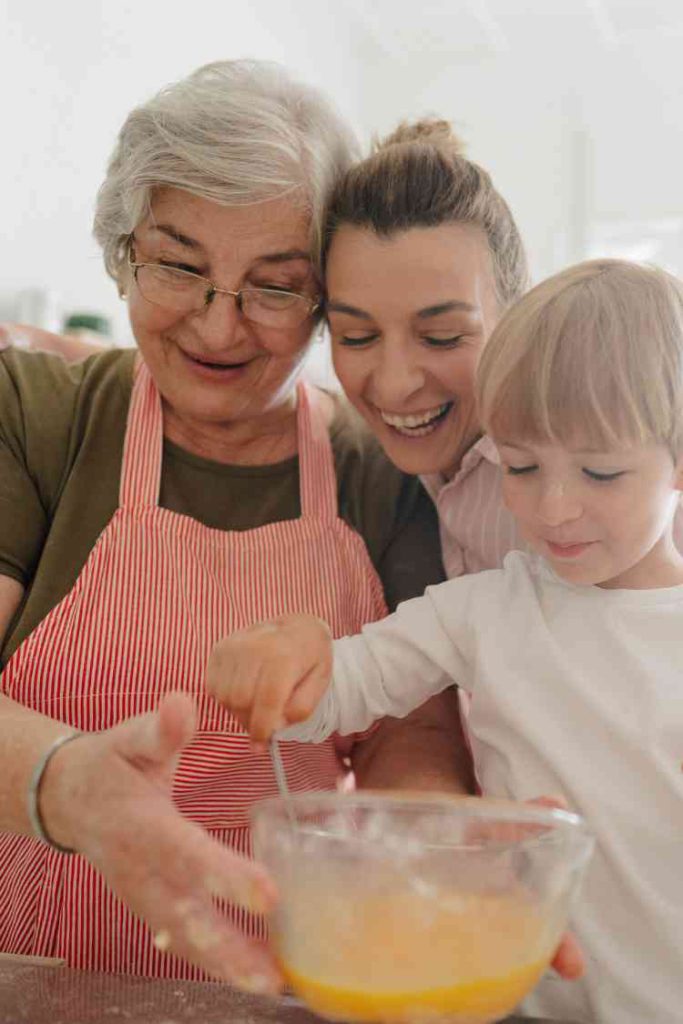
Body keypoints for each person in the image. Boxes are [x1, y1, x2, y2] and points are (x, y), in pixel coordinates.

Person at [0, 60, 467, 986]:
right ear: (121, 248)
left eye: (275, 286)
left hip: (278, 968)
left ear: (326, 298)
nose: (219, 329)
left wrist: (419, 860)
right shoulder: (36, 414)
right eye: (179, 266)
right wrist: (71, 785)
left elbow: (408, 737)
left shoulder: (384, 476)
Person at [209, 258, 683, 1024]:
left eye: (600, 472)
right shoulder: (482, 612)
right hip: (513, 1005)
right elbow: (335, 691)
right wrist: (280, 662)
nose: (554, 507)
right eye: (521, 466)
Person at [321, 119, 683, 572]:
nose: (395, 385)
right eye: (357, 337)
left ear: (517, 314)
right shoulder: (368, 459)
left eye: (442, 337)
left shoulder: (623, 473)